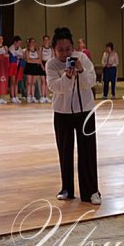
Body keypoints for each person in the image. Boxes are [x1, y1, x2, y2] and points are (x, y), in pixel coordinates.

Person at [46, 26, 101, 205]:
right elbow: (54, 87)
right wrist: (67, 77)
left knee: (88, 151)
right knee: (65, 151)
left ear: (73, 47)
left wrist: (81, 71)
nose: (64, 54)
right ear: (54, 50)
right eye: (60, 50)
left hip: (85, 111)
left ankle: (91, 191)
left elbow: (90, 82)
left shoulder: (82, 58)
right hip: (62, 112)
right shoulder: (51, 64)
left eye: (68, 49)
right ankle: (67, 189)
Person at [24, 37, 44, 103]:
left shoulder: (37, 51)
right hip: (29, 67)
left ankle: (33, 96)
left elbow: (39, 60)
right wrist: (35, 60)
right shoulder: (27, 51)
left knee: (34, 82)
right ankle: (28, 96)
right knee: (29, 82)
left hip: (35, 67)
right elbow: (28, 60)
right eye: (31, 42)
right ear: (29, 43)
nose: (33, 43)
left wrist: (32, 60)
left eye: (34, 42)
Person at [8, 35, 24, 104]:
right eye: (19, 43)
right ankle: (12, 97)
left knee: (16, 82)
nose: (19, 44)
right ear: (15, 42)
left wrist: (19, 56)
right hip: (12, 66)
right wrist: (18, 56)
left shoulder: (19, 48)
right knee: (12, 82)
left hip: (18, 66)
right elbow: (14, 56)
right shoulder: (11, 48)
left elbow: (21, 56)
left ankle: (16, 96)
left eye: (20, 43)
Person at [39, 35, 52, 103]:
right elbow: (39, 58)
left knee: (47, 81)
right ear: (43, 41)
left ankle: (46, 96)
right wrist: (42, 66)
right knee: (43, 81)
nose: (46, 41)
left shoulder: (51, 48)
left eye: (47, 40)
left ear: (49, 41)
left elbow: (53, 57)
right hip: (43, 64)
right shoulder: (41, 48)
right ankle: (42, 96)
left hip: (49, 64)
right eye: (45, 40)